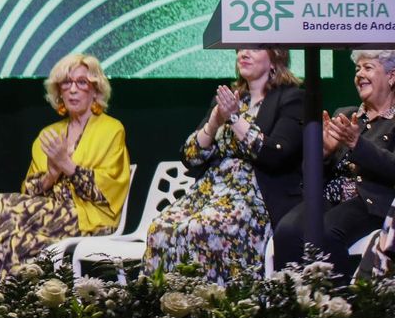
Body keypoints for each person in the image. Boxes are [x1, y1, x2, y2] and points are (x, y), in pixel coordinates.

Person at [142, 47, 303, 282]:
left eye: (254, 48)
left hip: (255, 196)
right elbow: (190, 156)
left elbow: (276, 154)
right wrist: (215, 122)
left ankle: (215, 308)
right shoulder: (231, 98)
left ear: (275, 57)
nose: (243, 54)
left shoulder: (292, 98)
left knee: (200, 229)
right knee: (160, 228)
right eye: (240, 49)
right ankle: (168, 309)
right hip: (211, 192)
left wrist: (235, 119)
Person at [0, 53, 130, 276]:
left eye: (81, 82)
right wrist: (51, 176)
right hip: (46, 217)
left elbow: (107, 191)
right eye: (66, 83)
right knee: (11, 232)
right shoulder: (49, 134)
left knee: (4, 205)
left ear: (95, 90)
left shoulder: (111, 129)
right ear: (59, 92)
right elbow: (30, 193)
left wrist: (67, 165)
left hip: (91, 218)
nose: (73, 89)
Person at [273, 49, 395, 276]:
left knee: (326, 233)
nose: (359, 74)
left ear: (391, 76)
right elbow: (308, 175)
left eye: (368, 68)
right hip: (329, 197)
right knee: (287, 231)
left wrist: (358, 144)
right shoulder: (345, 115)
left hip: (369, 202)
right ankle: (291, 304)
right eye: (357, 69)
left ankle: (336, 306)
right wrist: (323, 152)